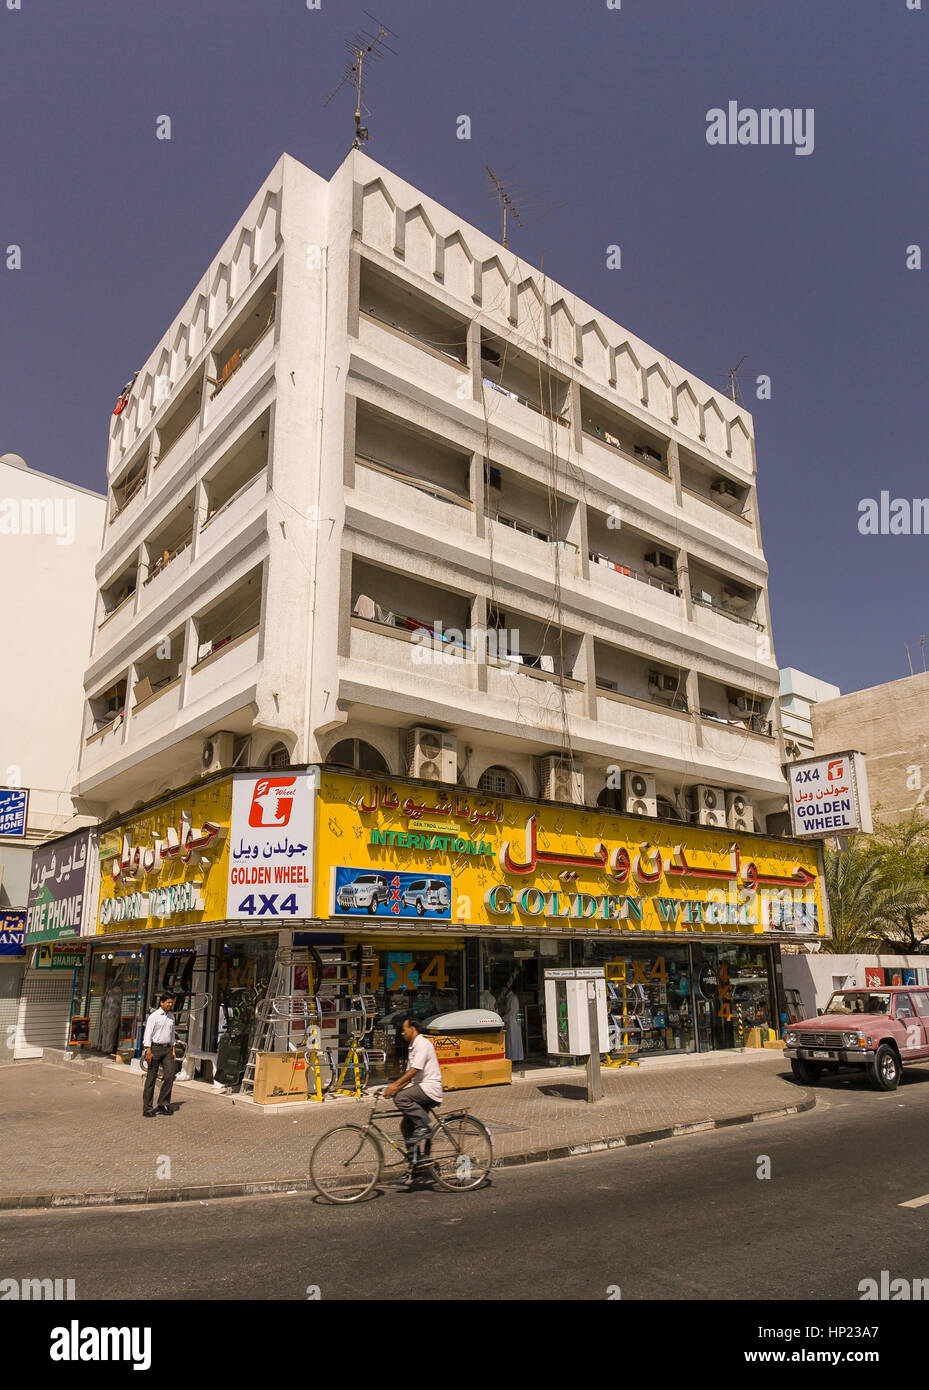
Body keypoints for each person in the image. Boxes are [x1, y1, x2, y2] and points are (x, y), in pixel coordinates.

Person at [383, 1017, 443, 1185]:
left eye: (404, 1029)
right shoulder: (413, 1047)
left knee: (401, 1097)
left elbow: (415, 1070)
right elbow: (410, 1075)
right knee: (406, 1126)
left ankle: (424, 1126)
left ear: (413, 1029)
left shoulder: (423, 1044)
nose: (402, 1033)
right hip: (421, 1088)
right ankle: (415, 1168)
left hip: (430, 1088)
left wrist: (395, 1087)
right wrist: (393, 1085)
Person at [142, 993, 179, 1117]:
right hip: (155, 1049)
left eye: (171, 1003)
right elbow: (147, 1034)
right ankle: (147, 1108)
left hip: (167, 1049)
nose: (170, 1005)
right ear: (161, 1003)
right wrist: (148, 1050)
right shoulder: (154, 1016)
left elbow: (172, 1034)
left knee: (170, 1075)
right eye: (168, 1002)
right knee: (151, 1078)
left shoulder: (171, 1017)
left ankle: (163, 1103)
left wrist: (173, 1049)